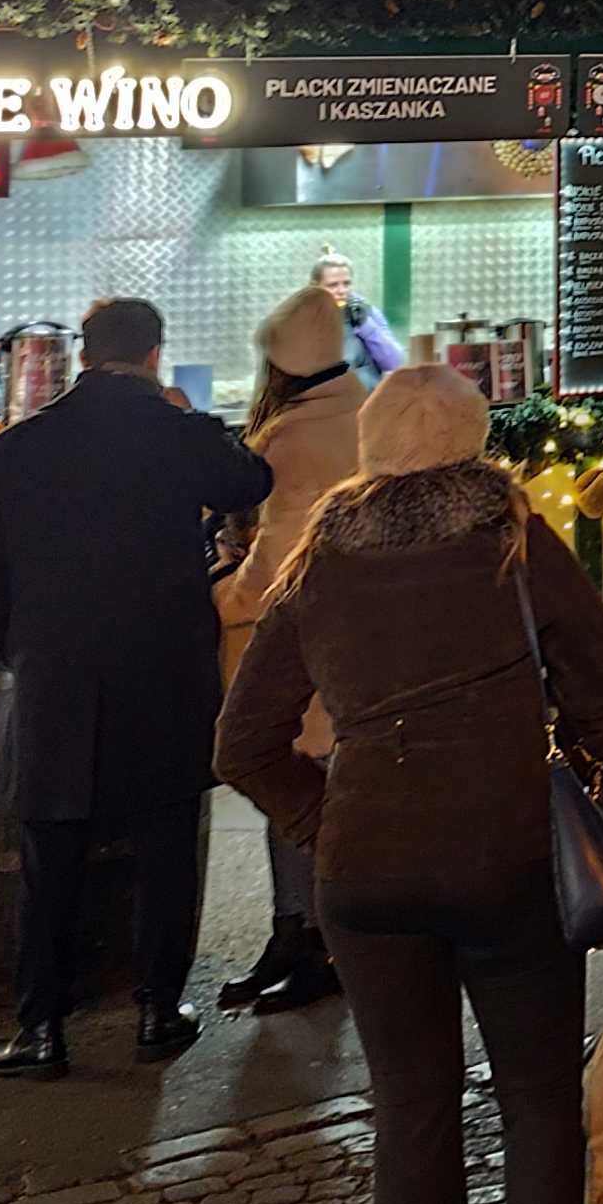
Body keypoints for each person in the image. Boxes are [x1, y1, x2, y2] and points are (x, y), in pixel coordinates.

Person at [218, 364, 603, 1204]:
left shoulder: (320, 560)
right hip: (507, 858)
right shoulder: (511, 538)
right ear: (472, 443)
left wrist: (326, 815)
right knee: (538, 1103)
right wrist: (564, 772)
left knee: (412, 1108)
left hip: (366, 871)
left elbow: (241, 746)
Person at [0, 297, 275, 1074]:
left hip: (56, 679)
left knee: (50, 855)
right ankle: (157, 1011)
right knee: (166, 845)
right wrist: (188, 416)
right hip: (162, 675)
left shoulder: (15, 449)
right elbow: (251, 478)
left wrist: (31, 646)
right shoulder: (176, 435)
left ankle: (41, 1028)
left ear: (82, 356)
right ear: (154, 355)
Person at [211, 286, 370, 1015]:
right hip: (356, 638)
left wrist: (224, 596)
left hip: (300, 645)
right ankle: (298, 935)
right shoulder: (364, 409)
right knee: (317, 788)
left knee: (287, 784)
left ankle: (313, 941)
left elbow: (280, 557)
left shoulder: (294, 436)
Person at [305, 250, 408, 383]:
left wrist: (365, 325)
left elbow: (394, 362)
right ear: (315, 287)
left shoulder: (366, 312)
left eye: (346, 284)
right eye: (333, 285)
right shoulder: (303, 318)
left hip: (367, 399)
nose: (342, 291)